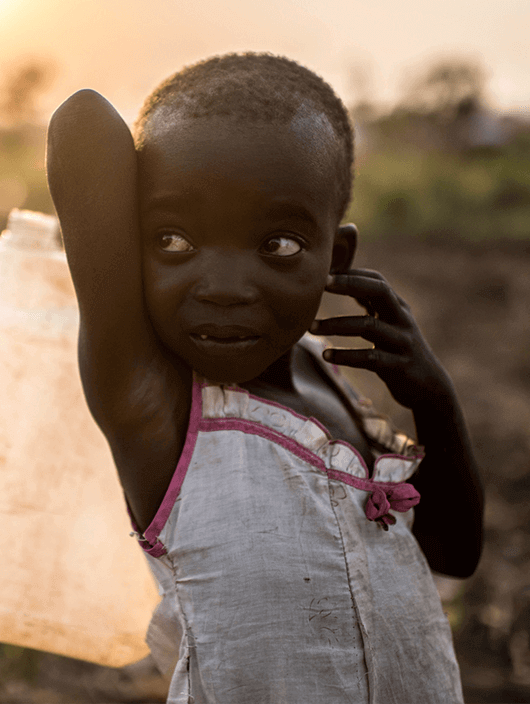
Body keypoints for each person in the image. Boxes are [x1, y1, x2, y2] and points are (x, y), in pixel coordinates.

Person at [45, 52, 483, 703]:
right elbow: (82, 125)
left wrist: (436, 402)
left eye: (277, 245)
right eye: (173, 242)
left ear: (336, 259)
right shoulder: (153, 403)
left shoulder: (332, 384)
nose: (223, 288)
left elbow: (453, 554)